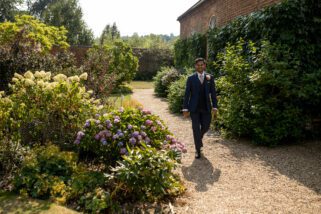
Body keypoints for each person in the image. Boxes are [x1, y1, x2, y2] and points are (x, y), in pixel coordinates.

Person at [182, 57, 218, 159]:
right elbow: (187, 94)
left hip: (206, 107)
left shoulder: (210, 77)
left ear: (205, 66)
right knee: (196, 128)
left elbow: (213, 94)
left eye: (202, 64)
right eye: (198, 65)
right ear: (195, 66)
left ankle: (199, 138)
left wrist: (215, 106)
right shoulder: (191, 78)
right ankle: (198, 150)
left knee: (206, 126)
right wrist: (185, 109)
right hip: (194, 108)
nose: (200, 66)